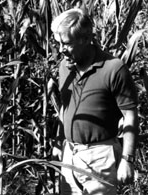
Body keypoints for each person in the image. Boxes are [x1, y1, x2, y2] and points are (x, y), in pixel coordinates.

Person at [51, 8, 139, 195]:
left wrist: (127, 160)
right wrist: (59, 143)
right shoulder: (64, 67)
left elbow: (130, 117)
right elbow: (65, 109)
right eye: (58, 43)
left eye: (66, 44)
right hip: (69, 153)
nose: (60, 50)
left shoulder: (113, 69)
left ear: (85, 39)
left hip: (101, 155)